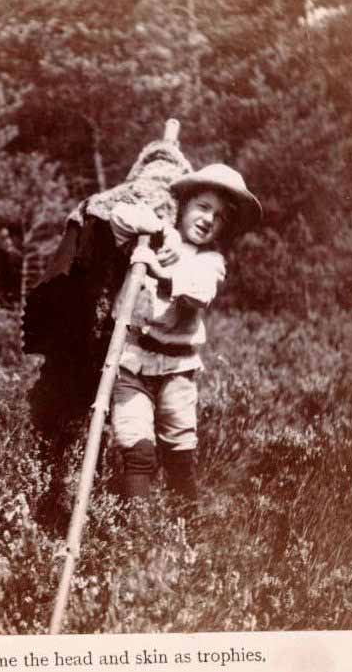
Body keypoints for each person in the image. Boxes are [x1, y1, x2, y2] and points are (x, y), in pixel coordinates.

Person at [108, 163, 262, 500]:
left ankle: (188, 527)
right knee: (138, 450)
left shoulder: (211, 261)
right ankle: (138, 535)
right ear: (184, 206)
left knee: (179, 453)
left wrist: (160, 271)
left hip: (178, 370)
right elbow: (117, 216)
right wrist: (156, 230)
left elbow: (198, 293)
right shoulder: (157, 236)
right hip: (131, 362)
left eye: (219, 216)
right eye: (203, 207)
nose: (208, 219)